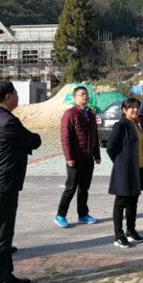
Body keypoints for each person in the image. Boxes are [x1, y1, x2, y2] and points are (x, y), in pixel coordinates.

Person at [0, 81, 41, 283]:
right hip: (0, 184)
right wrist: (32, 139)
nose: (17, 97)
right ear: (8, 97)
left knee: (5, 234)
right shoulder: (6, 121)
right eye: (15, 93)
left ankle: (7, 276)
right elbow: (33, 140)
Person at [106, 98, 143, 248]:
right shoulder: (121, 125)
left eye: (137, 107)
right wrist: (120, 163)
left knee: (133, 202)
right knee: (121, 202)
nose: (135, 110)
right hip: (125, 170)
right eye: (131, 107)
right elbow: (110, 148)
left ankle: (131, 231)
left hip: (138, 169)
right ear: (124, 110)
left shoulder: (138, 124)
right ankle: (118, 235)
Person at [54, 86, 101, 228]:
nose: (85, 97)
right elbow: (65, 138)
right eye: (82, 94)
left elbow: (94, 135)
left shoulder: (90, 114)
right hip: (75, 158)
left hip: (88, 157)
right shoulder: (70, 114)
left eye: (86, 94)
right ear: (75, 98)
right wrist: (69, 157)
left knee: (84, 188)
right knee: (71, 188)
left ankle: (83, 214)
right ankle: (60, 215)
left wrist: (96, 155)